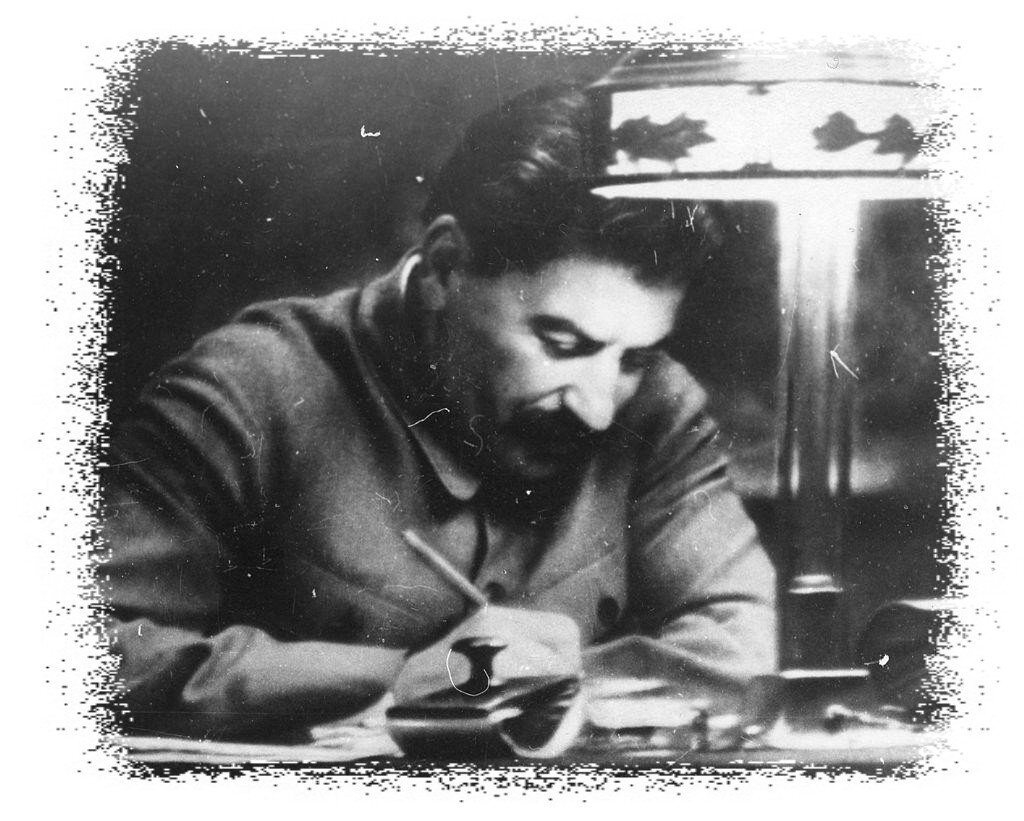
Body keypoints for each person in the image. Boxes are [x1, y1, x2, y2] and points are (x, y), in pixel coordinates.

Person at [97, 82, 777, 742]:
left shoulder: (658, 408)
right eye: (563, 344)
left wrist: (540, 690)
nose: (599, 411)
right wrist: (395, 679)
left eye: (633, 358)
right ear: (446, 266)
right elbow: (93, 656)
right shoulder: (250, 390)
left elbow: (741, 637)